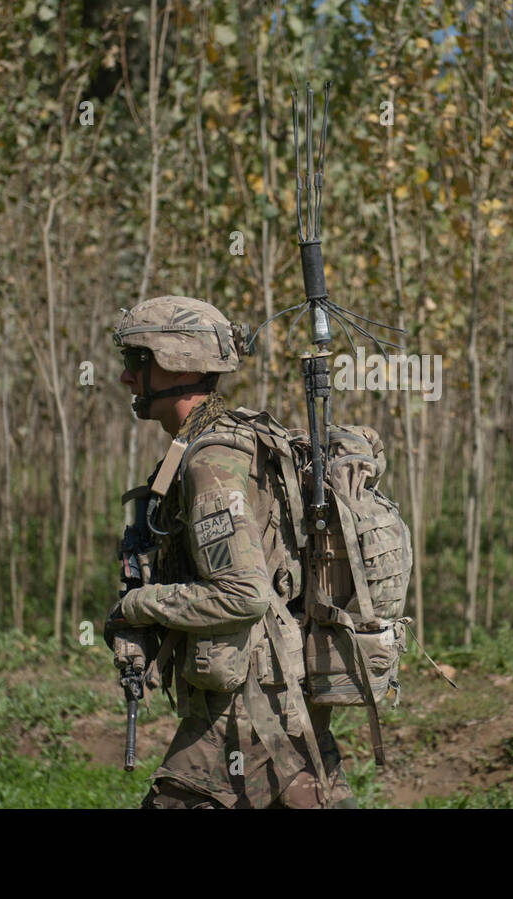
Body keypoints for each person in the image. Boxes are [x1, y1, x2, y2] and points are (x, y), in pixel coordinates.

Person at [103, 295, 356, 809]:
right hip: (276, 694)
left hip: (249, 709)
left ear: (172, 366)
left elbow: (243, 594)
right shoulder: (221, 441)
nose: (127, 379)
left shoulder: (211, 461)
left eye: (136, 363)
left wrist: (137, 606)